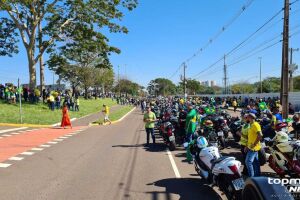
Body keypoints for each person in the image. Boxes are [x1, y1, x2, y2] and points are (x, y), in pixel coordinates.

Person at [245, 113, 262, 177]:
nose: (246, 119)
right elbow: (250, 137)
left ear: (250, 118)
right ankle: (257, 176)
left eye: (247, 117)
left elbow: (260, 135)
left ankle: (251, 178)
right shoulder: (251, 125)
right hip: (251, 147)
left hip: (253, 148)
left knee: (248, 162)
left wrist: (254, 144)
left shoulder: (255, 125)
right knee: (255, 163)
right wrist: (247, 146)